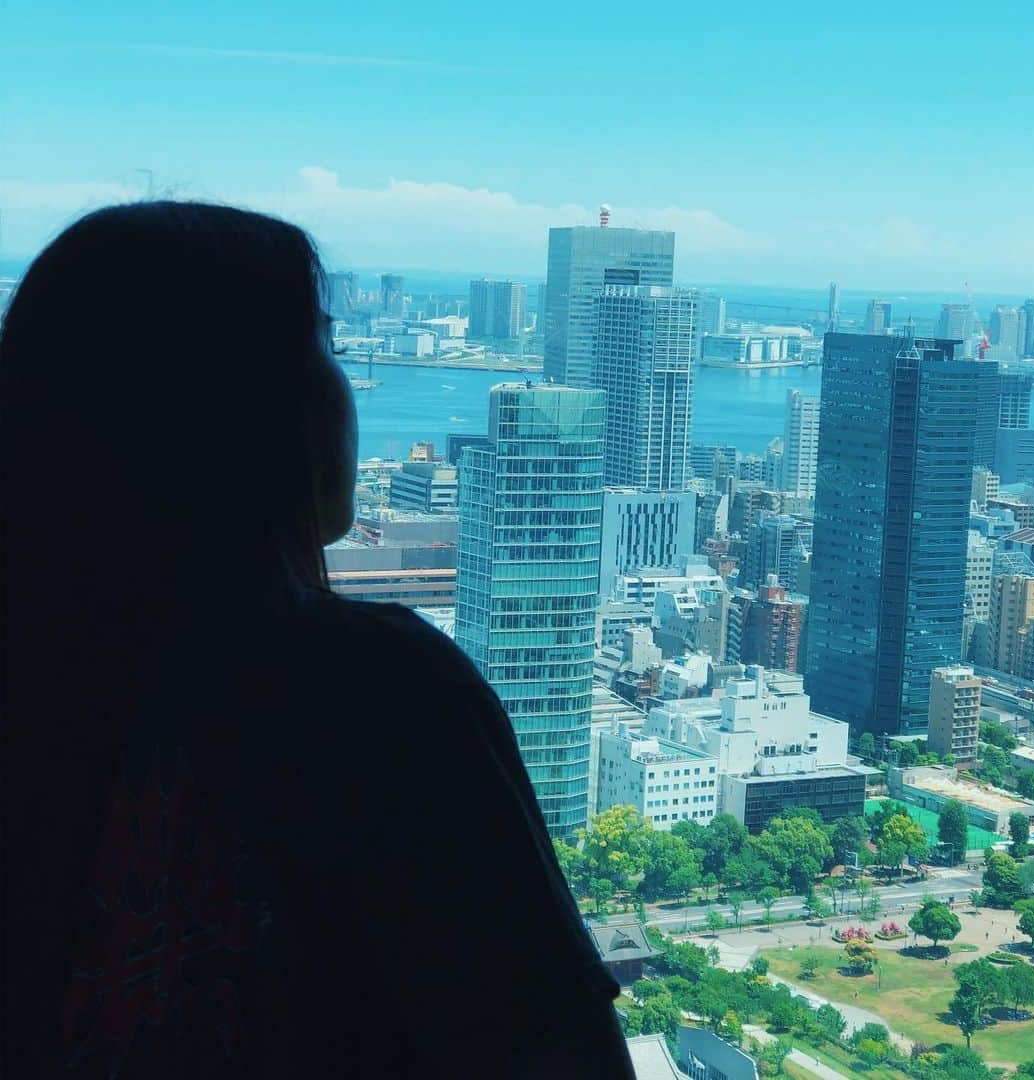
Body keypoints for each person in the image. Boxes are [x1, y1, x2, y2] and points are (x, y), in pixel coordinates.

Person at [0, 202, 635, 1078]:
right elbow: (556, 1050)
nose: (343, 384)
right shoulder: (374, 696)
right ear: (247, 410)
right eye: (325, 348)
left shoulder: (39, 683)